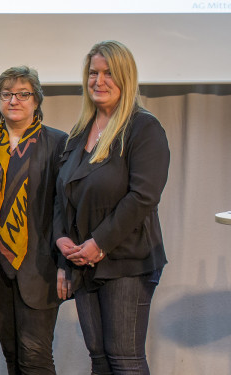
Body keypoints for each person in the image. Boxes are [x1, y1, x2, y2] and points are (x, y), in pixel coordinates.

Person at [54, 40, 169, 375]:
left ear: (125, 77)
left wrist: (99, 244)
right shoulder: (78, 133)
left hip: (126, 261)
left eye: (108, 73)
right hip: (84, 261)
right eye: (93, 73)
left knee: (124, 359)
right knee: (100, 359)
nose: (98, 81)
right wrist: (61, 241)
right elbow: (62, 194)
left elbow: (143, 197)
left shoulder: (143, 128)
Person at [0, 66, 68, 375]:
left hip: (40, 266)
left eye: (23, 94)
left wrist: (64, 266)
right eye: (6, 94)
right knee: (12, 355)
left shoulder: (58, 143)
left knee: (36, 357)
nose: (14, 100)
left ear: (36, 100)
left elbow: (63, 207)